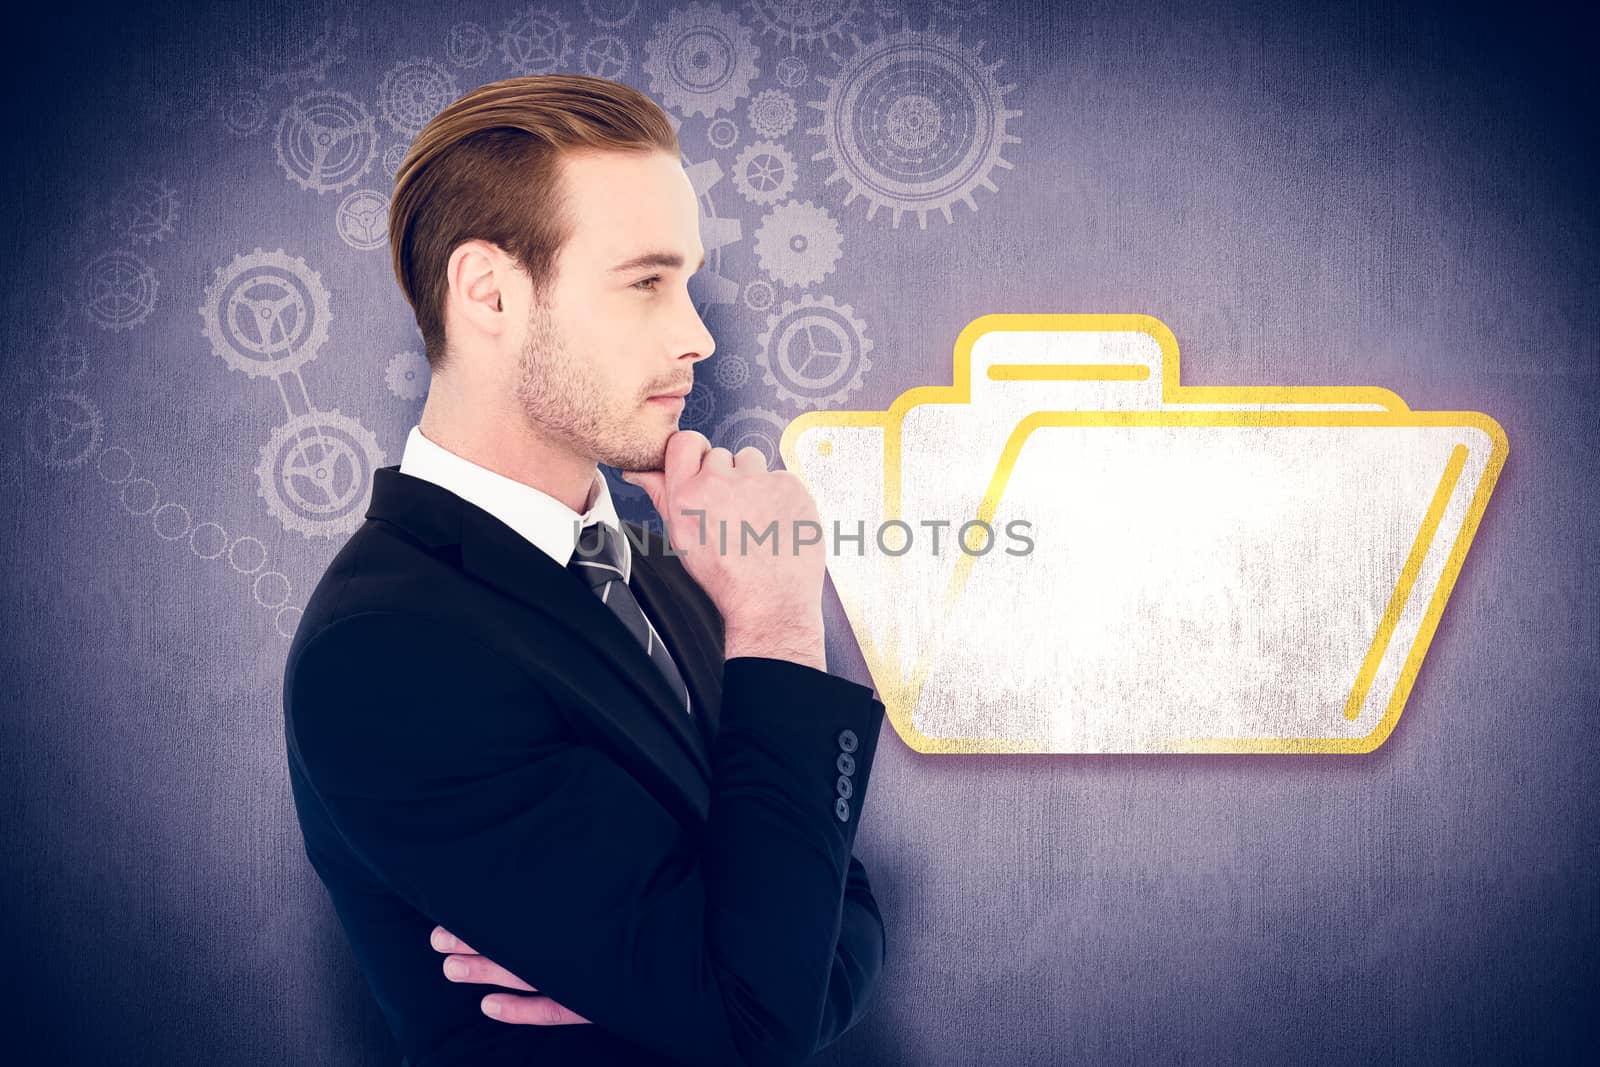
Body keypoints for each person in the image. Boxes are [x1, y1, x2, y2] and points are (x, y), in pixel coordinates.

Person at [281, 74, 889, 1066]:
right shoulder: (390, 648)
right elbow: (755, 1018)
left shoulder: (674, 574)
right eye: (645, 280)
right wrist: (781, 620)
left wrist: (702, 971)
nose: (696, 334)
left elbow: (830, 912)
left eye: (685, 280)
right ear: (488, 292)